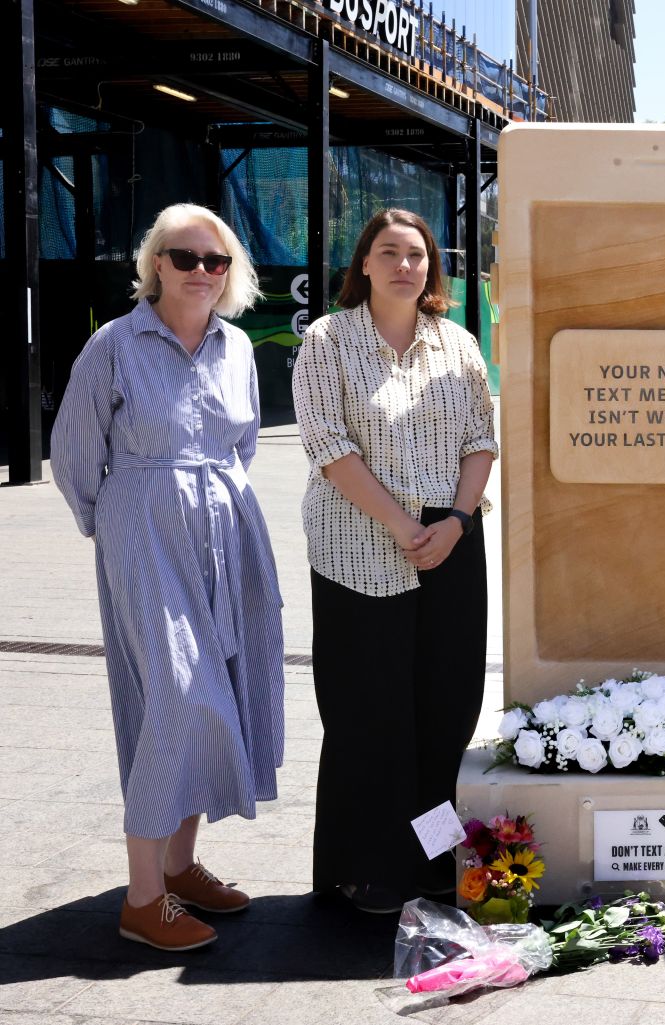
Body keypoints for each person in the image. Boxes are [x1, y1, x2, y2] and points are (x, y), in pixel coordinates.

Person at [51, 204, 283, 951]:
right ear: (156, 263)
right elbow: (75, 452)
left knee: (219, 683)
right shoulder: (113, 344)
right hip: (144, 530)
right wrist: (117, 523)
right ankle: (142, 897)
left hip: (224, 528)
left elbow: (240, 443)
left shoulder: (239, 345)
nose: (201, 272)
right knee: (179, 696)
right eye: (185, 257)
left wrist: (209, 501)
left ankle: (179, 867)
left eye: (216, 261)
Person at [292, 208, 497, 914]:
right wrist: (403, 524)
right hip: (358, 549)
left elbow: (480, 440)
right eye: (390, 252)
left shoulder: (459, 344)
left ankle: (433, 853)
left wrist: (459, 521)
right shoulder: (327, 339)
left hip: (450, 546)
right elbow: (327, 444)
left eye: (417, 253)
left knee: (445, 712)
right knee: (368, 714)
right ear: (366, 265)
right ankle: (363, 864)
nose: (405, 264)